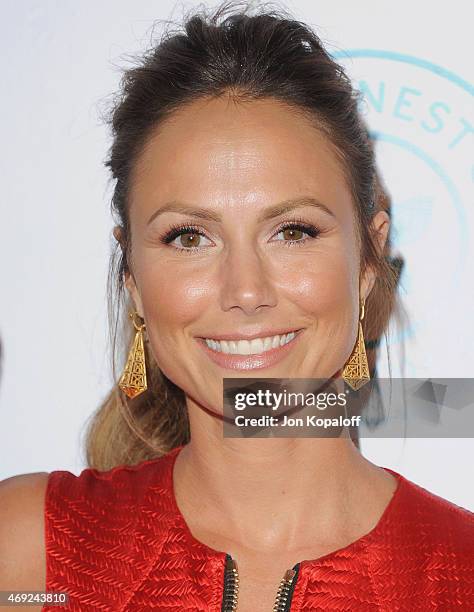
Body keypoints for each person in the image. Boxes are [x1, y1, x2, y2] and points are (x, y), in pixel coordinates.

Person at [1, 2, 472, 610]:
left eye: (294, 231)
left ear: (367, 261)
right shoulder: (31, 562)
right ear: (133, 280)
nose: (245, 291)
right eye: (189, 237)